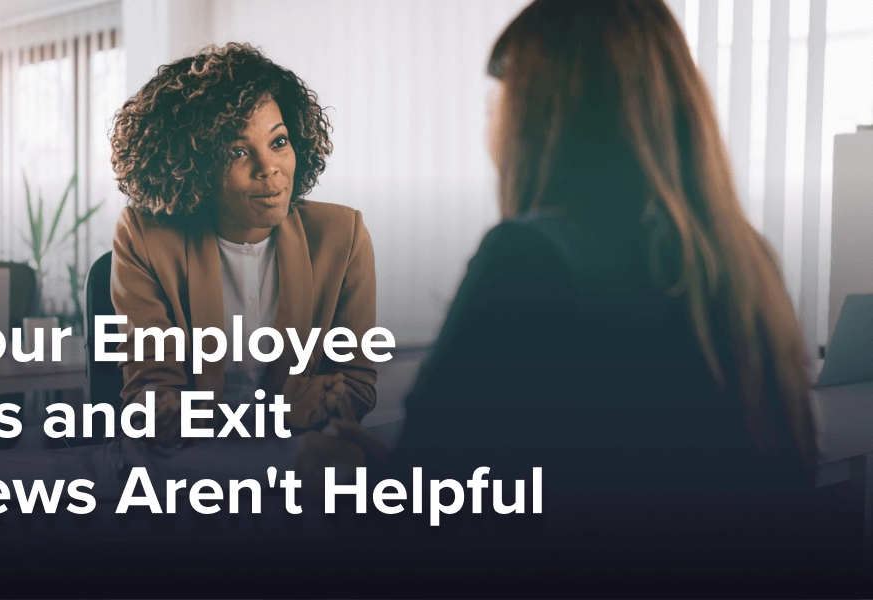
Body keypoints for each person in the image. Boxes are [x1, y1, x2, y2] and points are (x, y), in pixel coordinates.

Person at [300, 0, 861, 593]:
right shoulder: (742, 259)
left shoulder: (531, 258)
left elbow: (418, 539)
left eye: (500, 100)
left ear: (540, 116)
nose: (490, 126)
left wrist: (344, 487)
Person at [108, 43, 377, 440]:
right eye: (237, 151)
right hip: (192, 463)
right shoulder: (144, 236)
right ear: (193, 165)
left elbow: (357, 383)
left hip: (299, 460)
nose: (268, 168)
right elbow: (151, 392)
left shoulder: (342, 235)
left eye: (278, 142)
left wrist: (324, 404)